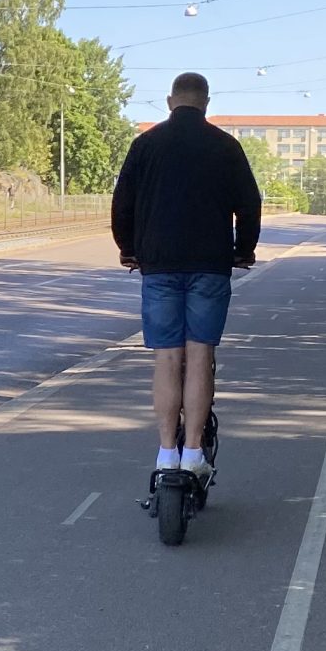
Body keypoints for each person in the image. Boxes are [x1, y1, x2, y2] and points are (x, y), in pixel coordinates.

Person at [111, 72, 262, 483]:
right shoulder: (226, 146)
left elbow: (122, 203)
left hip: (158, 265)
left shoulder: (145, 145)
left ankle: (165, 453)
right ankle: (193, 452)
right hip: (210, 266)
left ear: (169, 102)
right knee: (200, 356)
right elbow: (250, 204)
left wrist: (129, 248)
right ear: (206, 103)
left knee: (166, 358)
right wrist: (244, 249)